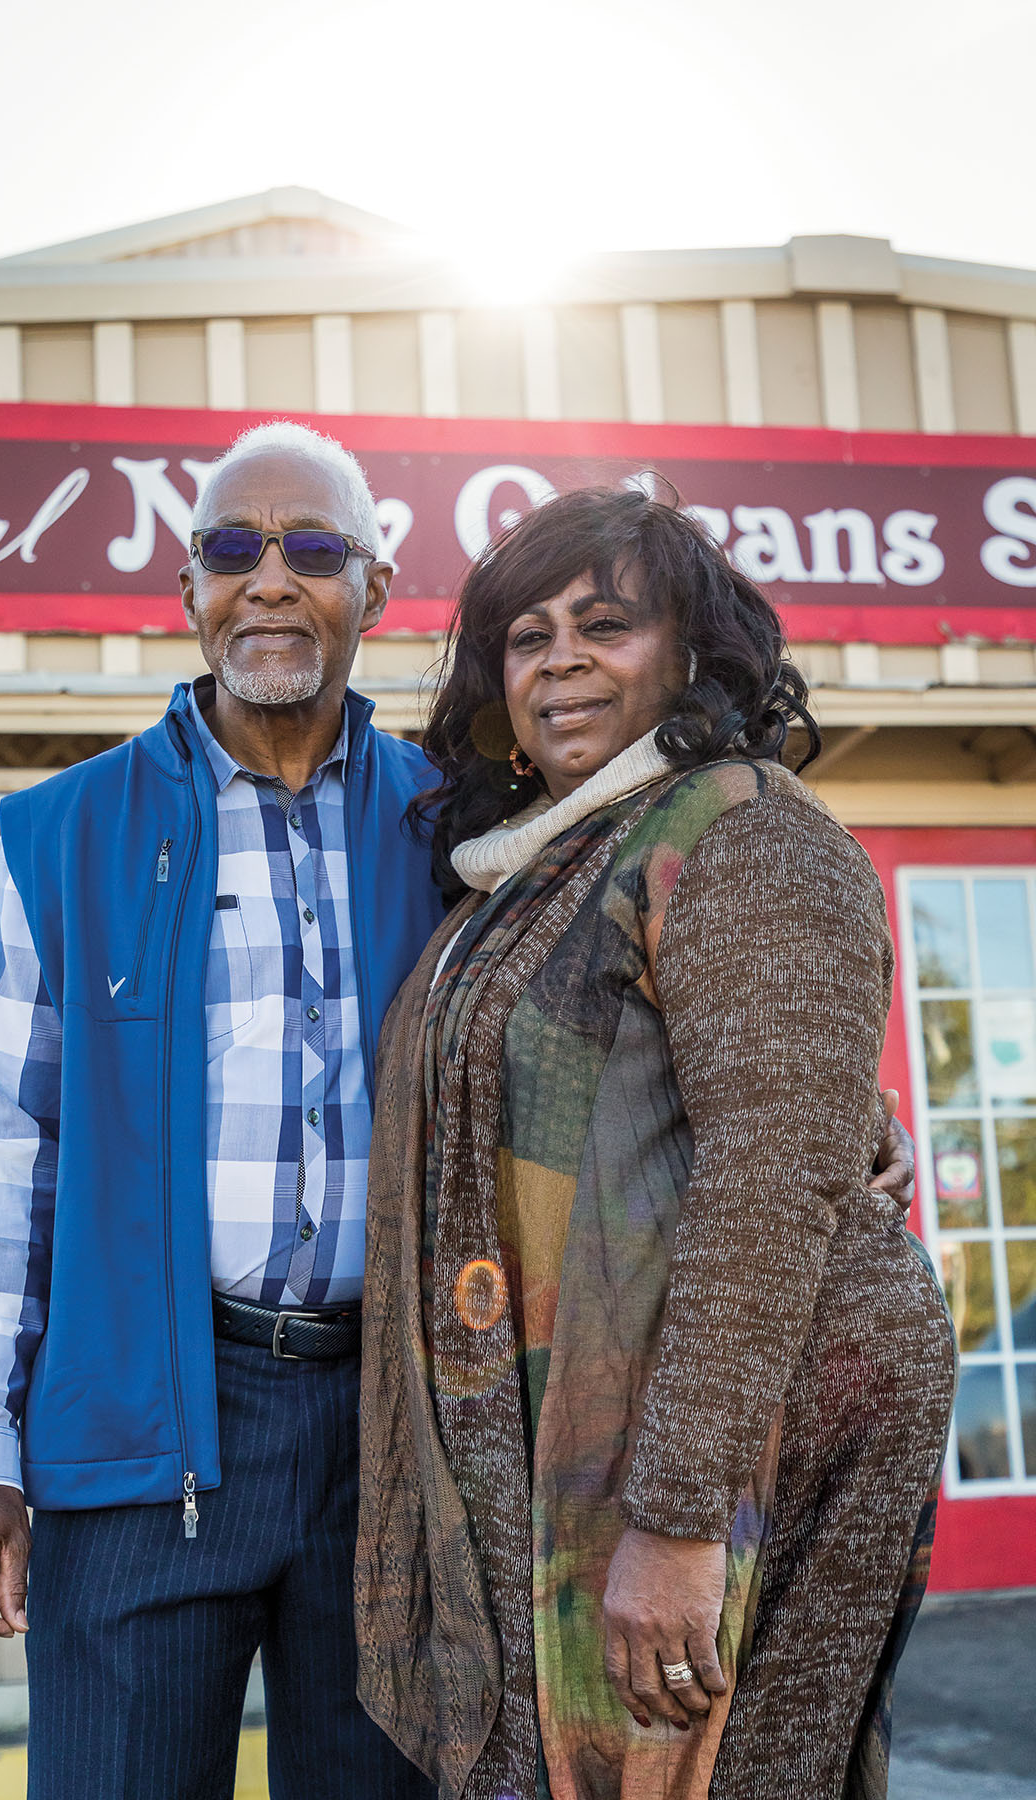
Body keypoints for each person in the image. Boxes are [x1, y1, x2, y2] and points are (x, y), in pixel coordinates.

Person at [354, 486, 956, 1800]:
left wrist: (683, 1526)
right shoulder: (530, 864)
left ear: (690, 656)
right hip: (589, 1446)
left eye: (605, 624)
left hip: (745, 1445)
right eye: (528, 636)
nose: (559, 658)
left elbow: (765, 1181)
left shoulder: (740, 827)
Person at [0, 421, 443, 1800]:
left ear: (373, 592)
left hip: (394, 1432)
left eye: (313, 549)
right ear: (187, 590)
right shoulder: (63, 835)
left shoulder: (459, 829)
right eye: (231, 548)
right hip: (149, 1430)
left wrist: (820, 1124)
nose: (270, 580)